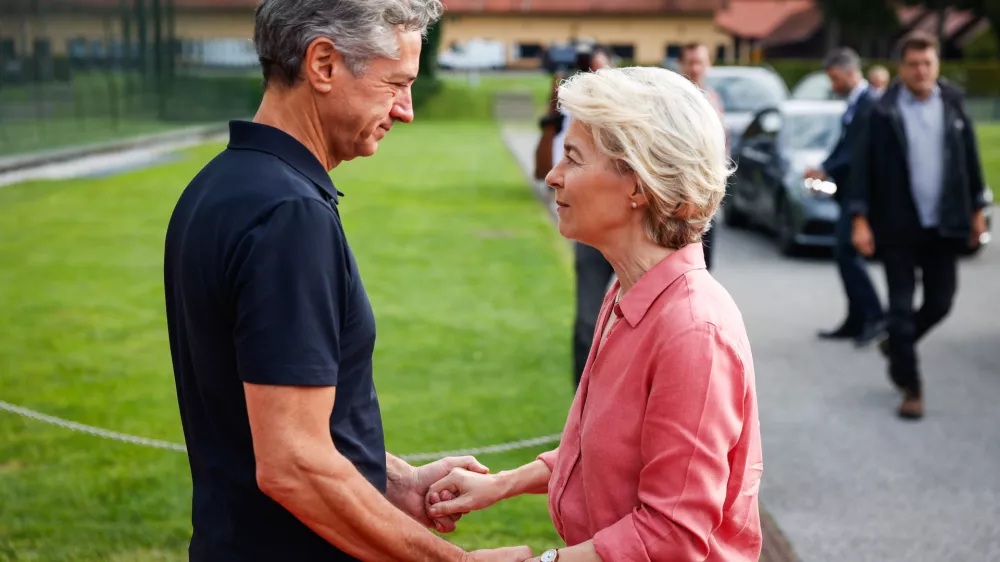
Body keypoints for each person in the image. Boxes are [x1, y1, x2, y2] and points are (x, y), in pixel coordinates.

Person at [162, 1, 531, 560]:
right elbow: (293, 462)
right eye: (395, 84)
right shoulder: (288, 214)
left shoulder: (221, 185)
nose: (405, 110)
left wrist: (398, 482)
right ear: (324, 65)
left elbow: (268, 408)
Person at [426, 67, 763, 561]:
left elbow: (671, 538)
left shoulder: (693, 332)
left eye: (573, 157)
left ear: (639, 185)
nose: (552, 175)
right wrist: (499, 485)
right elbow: (603, 452)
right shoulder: (630, 293)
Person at [849, 32, 988, 420]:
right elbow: (862, 170)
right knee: (899, 307)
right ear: (900, 68)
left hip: (945, 222)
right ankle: (911, 386)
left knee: (941, 302)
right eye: (913, 64)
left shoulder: (954, 103)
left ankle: (897, 343)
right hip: (897, 225)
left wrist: (979, 208)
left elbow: (970, 159)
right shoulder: (881, 110)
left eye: (928, 63)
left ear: (937, 64)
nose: (921, 70)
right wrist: (860, 221)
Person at [537, 44, 617, 388]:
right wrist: (551, 109)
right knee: (588, 322)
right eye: (583, 72)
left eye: (596, 71)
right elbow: (541, 169)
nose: (590, 80)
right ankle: (583, 408)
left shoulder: (624, 115)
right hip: (590, 230)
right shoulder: (568, 112)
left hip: (624, 226)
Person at [804, 48, 885, 346]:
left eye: (836, 79)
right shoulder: (856, 104)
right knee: (845, 255)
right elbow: (844, 145)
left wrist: (825, 169)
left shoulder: (869, 104)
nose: (833, 85)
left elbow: (857, 152)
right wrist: (823, 168)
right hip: (849, 193)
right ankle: (856, 319)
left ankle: (876, 316)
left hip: (861, 195)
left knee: (848, 255)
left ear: (851, 74)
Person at [678, 42, 725, 271]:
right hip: (680, 195)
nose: (696, 68)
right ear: (681, 64)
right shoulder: (672, 100)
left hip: (707, 194)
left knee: (704, 265)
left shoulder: (713, 99)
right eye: (691, 62)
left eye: (700, 62)